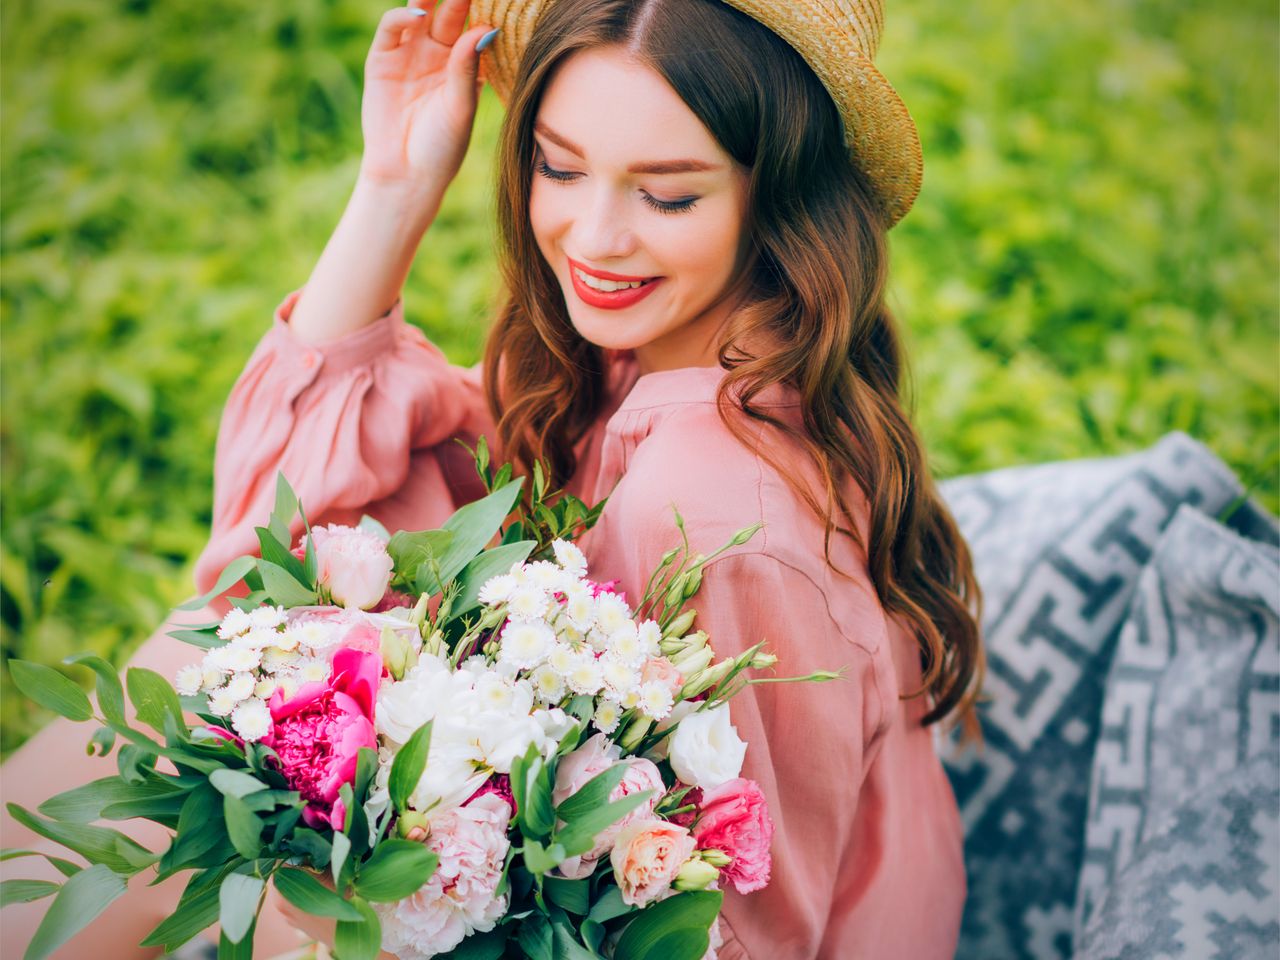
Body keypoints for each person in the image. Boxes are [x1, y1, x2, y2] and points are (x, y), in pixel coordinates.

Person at [1, 1, 985, 957]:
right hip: (570, 857)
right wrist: (391, 188)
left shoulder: (708, 509)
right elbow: (277, 549)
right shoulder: (628, 359)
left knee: (211, 779)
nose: (593, 238)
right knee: (207, 673)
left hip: (682, 933)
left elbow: (736, 922)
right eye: (560, 168)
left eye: (666, 193)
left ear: (779, 196)